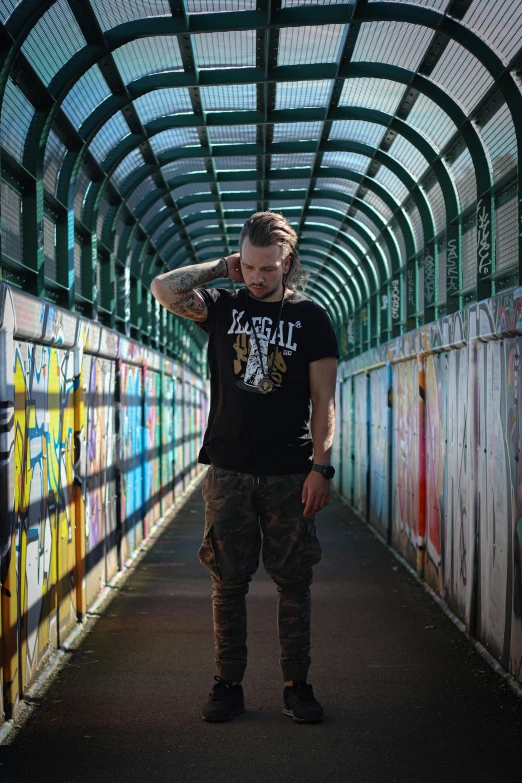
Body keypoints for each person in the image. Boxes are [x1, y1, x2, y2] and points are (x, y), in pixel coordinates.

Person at [151, 211, 338, 724]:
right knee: (227, 583)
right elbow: (163, 289)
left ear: (288, 264)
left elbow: (324, 401)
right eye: (250, 266)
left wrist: (322, 467)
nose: (257, 277)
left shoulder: (312, 320)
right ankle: (228, 684)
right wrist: (219, 267)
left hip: (289, 473)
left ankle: (297, 685)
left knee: (294, 582)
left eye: (268, 269)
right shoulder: (223, 304)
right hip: (228, 470)